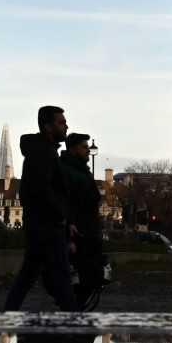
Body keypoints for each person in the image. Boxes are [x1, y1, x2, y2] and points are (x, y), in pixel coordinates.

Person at [2, 105, 79, 313]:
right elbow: (42, 190)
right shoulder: (43, 153)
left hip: (42, 224)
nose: (66, 126)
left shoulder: (43, 151)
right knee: (61, 277)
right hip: (47, 226)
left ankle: (6, 314)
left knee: (29, 275)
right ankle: (74, 323)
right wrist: (61, 216)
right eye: (61, 122)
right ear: (47, 127)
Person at [59, 131, 107, 309]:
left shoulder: (81, 169)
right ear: (73, 149)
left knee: (90, 276)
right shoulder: (68, 170)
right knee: (81, 278)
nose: (88, 150)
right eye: (84, 147)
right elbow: (65, 199)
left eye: (88, 147)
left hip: (88, 229)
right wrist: (70, 226)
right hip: (79, 230)